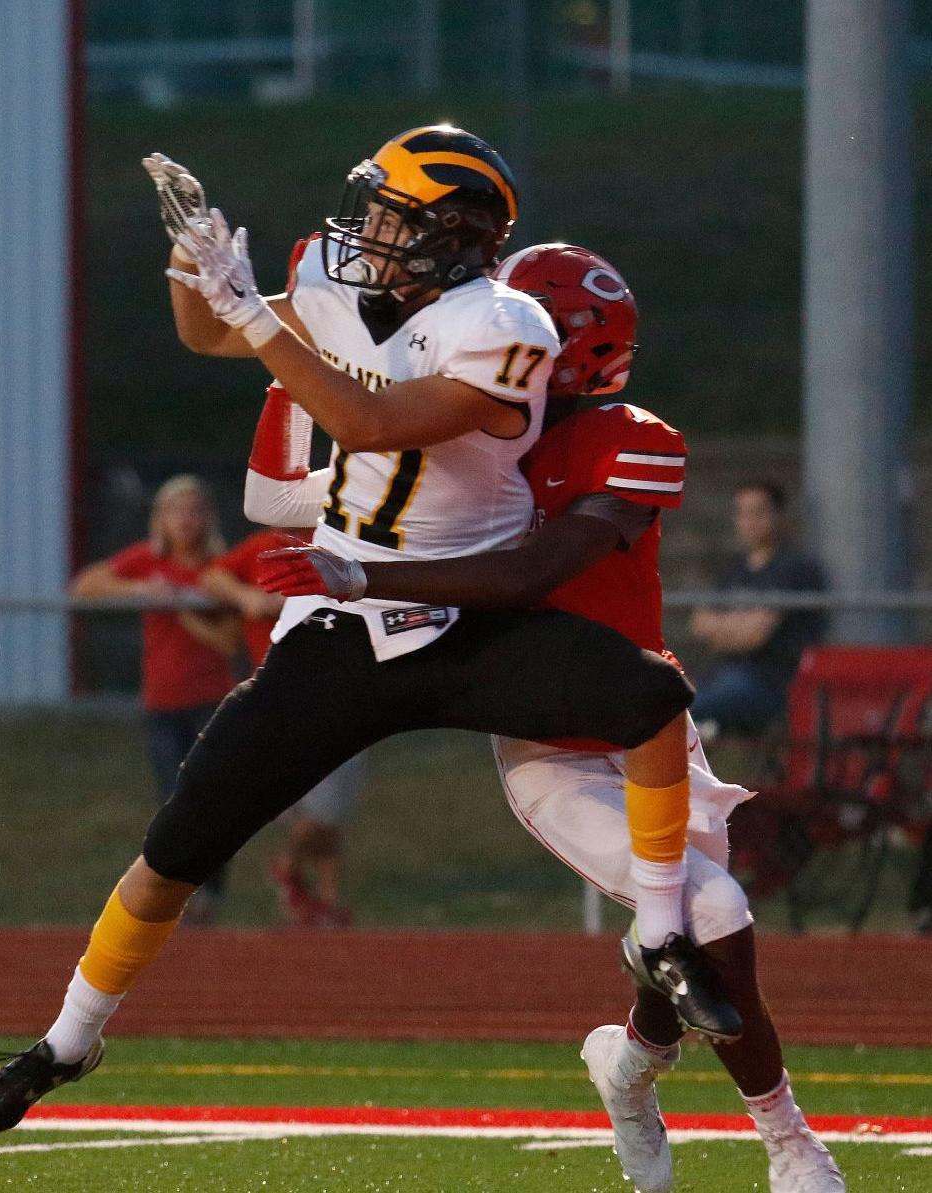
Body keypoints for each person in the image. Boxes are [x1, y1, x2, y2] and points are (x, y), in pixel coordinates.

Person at [0, 128, 704, 1140]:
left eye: (394, 216)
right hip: (345, 615)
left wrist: (249, 315)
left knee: (647, 694)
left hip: (466, 605)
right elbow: (206, 334)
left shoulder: (506, 320)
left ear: (457, 234)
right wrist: (194, 265)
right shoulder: (331, 274)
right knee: (179, 842)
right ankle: (68, 1037)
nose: (370, 231)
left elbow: (373, 420)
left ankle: (661, 927)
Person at [255, 243, 842, 1193]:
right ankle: (788, 1141)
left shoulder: (629, 437)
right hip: (550, 747)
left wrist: (366, 573)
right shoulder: (467, 436)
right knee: (712, 908)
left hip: (649, 722)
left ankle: (627, 1072)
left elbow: (531, 573)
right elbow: (340, 473)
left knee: (686, 938)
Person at [200, 400, 364, 929]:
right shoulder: (271, 543)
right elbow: (213, 576)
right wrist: (246, 599)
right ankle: (293, 877)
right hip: (286, 688)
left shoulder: (353, 543)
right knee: (314, 806)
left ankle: (320, 901)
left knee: (331, 811)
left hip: (349, 685)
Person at [70, 474, 239, 921]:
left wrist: (185, 608)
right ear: (161, 519)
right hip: (164, 704)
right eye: (176, 511)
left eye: (195, 510)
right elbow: (86, 585)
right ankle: (178, 892)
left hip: (212, 700)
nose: (186, 520)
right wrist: (143, 591)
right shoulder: (147, 561)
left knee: (215, 799)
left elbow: (228, 641)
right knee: (174, 799)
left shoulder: (220, 568)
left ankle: (210, 894)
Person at [689, 482, 828, 740]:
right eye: (742, 513)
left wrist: (725, 630)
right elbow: (699, 623)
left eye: (759, 513)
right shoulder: (734, 569)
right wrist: (742, 627)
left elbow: (756, 635)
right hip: (724, 675)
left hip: (772, 684)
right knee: (660, 696)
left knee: (679, 709)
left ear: (779, 515)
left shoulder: (794, 568)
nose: (749, 521)